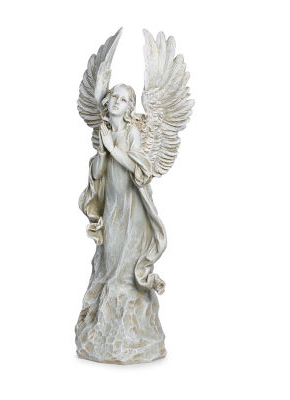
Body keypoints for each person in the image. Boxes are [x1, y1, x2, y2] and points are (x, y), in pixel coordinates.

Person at [76, 83, 167, 364]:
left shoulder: (131, 133)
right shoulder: (104, 133)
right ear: (107, 102)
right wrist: (103, 151)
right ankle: (105, 328)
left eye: (124, 99)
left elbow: (138, 167)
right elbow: (96, 173)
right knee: (109, 263)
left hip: (133, 209)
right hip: (113, 208)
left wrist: (112, 148)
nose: (117, 101)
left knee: (125, 268)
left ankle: (131, 333)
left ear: (129, 109)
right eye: (114, 96)